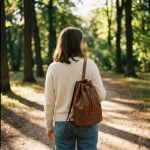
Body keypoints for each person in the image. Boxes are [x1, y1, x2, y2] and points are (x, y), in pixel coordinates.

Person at [44, 27, 106, 150]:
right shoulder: (90, 64)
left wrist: (49, 126)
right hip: (87, 120)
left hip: (63, 123)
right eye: (81, 41)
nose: (82, 44)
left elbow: (49, 102)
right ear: (78, 43)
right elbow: (101, 95)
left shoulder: (53, 68)